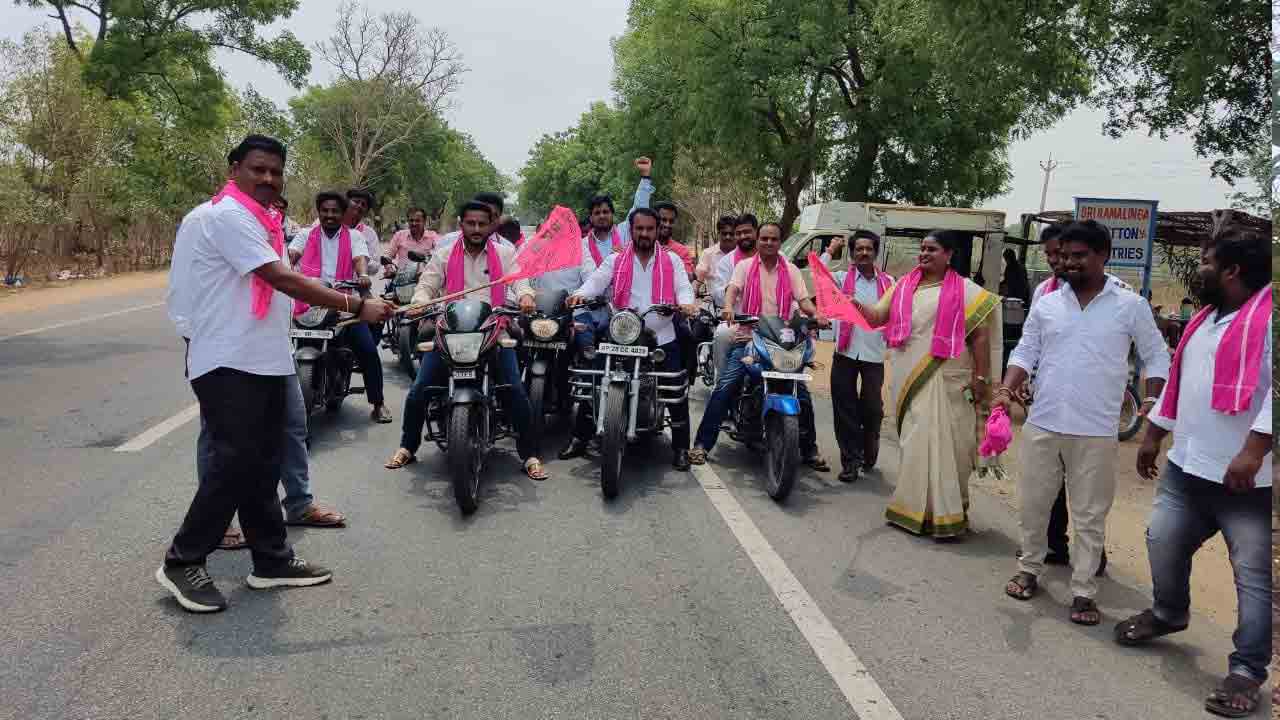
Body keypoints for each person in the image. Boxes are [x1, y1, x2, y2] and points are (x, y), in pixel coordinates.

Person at [157, 135, 393, 613]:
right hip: (227, 357)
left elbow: (282, 292)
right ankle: (182, 560)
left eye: (276, 172)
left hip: (264, 356)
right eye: (258, 169)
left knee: (263, 461)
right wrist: (355, 305)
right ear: (235, 168)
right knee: (234, 459)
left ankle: (271, 559)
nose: (268, 179)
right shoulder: (226, 216)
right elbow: (279, 278)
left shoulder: (265, 221)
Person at [1115, 224, 1272, 718]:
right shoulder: (1205, 319)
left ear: (1232, 270)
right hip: (1188, 467)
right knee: (1162, 540)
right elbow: (1184, 384)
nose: (1196, 271)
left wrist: (1254, 449)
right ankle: (1169, 613)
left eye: (1205, 262)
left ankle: (1246, 671)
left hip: (1246, 480)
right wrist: (1154, 435)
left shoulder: (1269, 321)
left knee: (1251, 577)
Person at [996, 220, 1170, 626]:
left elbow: (1156, 355)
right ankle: (1030, 569)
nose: (1069, 263)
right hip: (1044, 421)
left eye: (1079, 256)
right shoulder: (1048, 302)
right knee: (1035, 503)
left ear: (1102, 255)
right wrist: (1006, 390)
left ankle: (1083, 592)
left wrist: (1150, 397)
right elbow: (1026, 350)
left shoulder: (1130, 305)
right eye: (1066, 255)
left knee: (1090, 514)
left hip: (1096, 429)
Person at [854, 230, 1002, 540]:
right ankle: (910, 508)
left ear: (949, 254)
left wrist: (982, 380)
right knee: (914, 442)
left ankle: (948, 513)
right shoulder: (903, 286)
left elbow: (980, 337)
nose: (924, 254)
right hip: (909, 379)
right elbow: (877, 317)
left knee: (953, 447)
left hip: (950, 380)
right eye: (922, 248)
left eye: (932, 249)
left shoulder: (967, 291)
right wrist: (851, 304)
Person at [385, 202, 548, 480]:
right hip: (450, 330)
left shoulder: (506, 253)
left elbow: (519, 280)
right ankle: (407, 446)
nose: (476, 229)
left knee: (515, 391)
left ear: (490, 225)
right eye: (470, 223)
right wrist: (420, 302)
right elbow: (427, 285)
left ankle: (529, 453)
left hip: (493, 328)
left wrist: (525, 295)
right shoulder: (444, 254)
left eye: (481, 224)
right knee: (419, 389)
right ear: (462, 224)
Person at [563, 208, 696, 469]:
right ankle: (580, 437)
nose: (644, 233)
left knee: (675, 389)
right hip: (621, 333)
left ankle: (681, 447)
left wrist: (687, 303)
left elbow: (683, 287)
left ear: (657, 230)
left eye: (649, 228)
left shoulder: (673, 261)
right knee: (593, 378)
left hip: (660, 335)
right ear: (631, 230)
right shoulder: (615, 260)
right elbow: (596, 281)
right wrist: (580, 294)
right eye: (639, 228)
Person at [688, 222, 827, 470]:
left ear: (780, 242)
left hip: (782, 341)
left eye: (774, 239)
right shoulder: (744, 266)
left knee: (802, 393)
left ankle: (809, 449)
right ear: (759, 240)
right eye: (764, 238)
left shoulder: (791, 270)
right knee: (725, 386)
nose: (768, 243)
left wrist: (816, 314)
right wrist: (729, 307)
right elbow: (732, 290)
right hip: (750, 338)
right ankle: (701, 444)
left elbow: (803, 300)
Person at [288, 192, 391, 424]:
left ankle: (378, 403)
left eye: (335, 211)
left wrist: (363, 275)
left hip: (344, 304)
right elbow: (291, 254)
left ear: (342, 213)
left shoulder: (354, 236)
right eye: (325, 210)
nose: (329, 215)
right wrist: (286, 263)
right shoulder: (306, 234)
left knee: (367, 350)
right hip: (307, 303)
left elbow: (360, 259)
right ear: (319, 212)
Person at [821, 231, 893, 483]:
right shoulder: (841, 279)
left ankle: (868, 448)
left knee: (872, 409)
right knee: (845, 408)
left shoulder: (888, 283)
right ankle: (850, 461)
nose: (864, 253)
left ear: (875, 252)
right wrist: (830, 251)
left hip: (874, 354)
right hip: (845, 351)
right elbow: (819, 275)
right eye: (859, 249)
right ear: (852, 254)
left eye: (868, 249)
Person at [707, 214, 760, 376]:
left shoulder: (773, 257)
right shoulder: (727, 262)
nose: (743, 236)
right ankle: (721, 379)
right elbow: (717, 295)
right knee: (722, 334)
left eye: (747, 232)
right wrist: (733, 290)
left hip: (769, 322)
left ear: (756, 232)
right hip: (737, 321)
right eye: (739, 233)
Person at [652, 200, 695, 278]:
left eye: (671, 221)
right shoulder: (642, 246)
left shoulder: (682, 251)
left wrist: (671, 259)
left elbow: (687, 279)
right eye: (663, 220)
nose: (667, 225)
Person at [695, 215, 739, 289]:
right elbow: (699, 278)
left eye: (731, 234)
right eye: (724, 234)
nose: (728, 237)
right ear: (719, 233)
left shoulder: (742, 253)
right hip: (713, 298)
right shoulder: (708, 254)